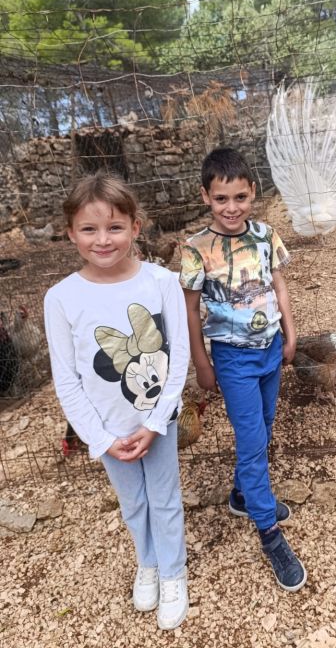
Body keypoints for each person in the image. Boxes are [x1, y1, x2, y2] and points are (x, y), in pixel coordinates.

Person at [44, 174, 190, 630]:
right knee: (133, 502)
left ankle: (173, 572)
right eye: (89, 229)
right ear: (71, 233)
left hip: (156, 420)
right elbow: (67, 379)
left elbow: (179, 356)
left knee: (164, 497)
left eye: (114, 227)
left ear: (135, 227)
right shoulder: (61, 298)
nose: (103, 240)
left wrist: (156, 421)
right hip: (107, 426)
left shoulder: (162, 282)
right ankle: (147, 561)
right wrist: (100, 437)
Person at [179, 147, 306, 592]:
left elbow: (278, 285)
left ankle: (242, 496)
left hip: (269, 349)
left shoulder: (266, 235)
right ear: (205, 197)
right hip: (232, 359)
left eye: (240, 197)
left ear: (253, 192)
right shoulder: (196, 249)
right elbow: (190, 310)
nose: (231, 208)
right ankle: (269, 531)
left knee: (263, 429)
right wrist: (202, 362)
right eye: (221, 199)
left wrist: (290, 333)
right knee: (252, 444)